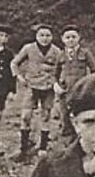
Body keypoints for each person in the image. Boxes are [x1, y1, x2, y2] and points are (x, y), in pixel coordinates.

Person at [12, 24, 63, 157]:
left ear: (52, 37)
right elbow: (14, 63)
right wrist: (19, 77)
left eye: (48, 35)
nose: (45, 38)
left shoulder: (57, 51)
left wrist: (58, 83)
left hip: (48, 87)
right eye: (42, 35)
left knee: (46, 116)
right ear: (36, 36)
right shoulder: (28, 48)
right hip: (31, 86)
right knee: (25, 116)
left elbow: (62, 68)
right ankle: (24, 148)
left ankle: (43, 147)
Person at [55, 26, 95, 141]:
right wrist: (56, 85)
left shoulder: (85, 53)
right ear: (62, 39)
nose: (71, 40)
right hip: (65, 91)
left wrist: (89, 86)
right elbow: (55, 73)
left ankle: (83, 138)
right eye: (67, 37)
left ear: (79, 38)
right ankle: (67, 141)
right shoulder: (60, 54)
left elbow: (94, 71)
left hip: (81, 90)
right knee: (64, 115)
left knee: (81, 113)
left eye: (73, 37)